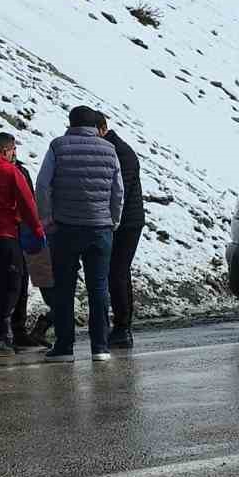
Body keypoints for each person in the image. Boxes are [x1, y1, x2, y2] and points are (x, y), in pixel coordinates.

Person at [35, 106, 122, 363]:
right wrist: (113, 220)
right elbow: (118, 191)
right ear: (95, 125)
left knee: (64, 288)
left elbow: (42, 185)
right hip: (100, 229)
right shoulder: (109, 149)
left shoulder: (58, 146)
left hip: (65, 229)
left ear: (70, 123)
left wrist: (47, 219)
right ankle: (100, 347)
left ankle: (64, 347)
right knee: (98, 288)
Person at [0, 133, 45, 358]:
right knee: (12, 286)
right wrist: (37, 230)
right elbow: (28, 203)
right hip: (7, 234)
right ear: (7, 150)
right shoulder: (10, 171)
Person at [96, 111, 145, 348]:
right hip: (120, 220)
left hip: (126, 223)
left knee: (118, 272)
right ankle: (121, 326)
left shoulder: (120, 152)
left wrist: (112, 220)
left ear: (103, 129)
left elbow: (120, 192)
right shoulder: (112, 149)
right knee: (117, 272)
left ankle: (123, 327)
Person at [9, 156, 47, 348]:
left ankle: (16, 329)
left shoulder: (20, 171)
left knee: (19, 282)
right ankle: (12, 330)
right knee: (12, 284)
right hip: (11, 232)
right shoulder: (14, 171)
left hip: (15, 233)